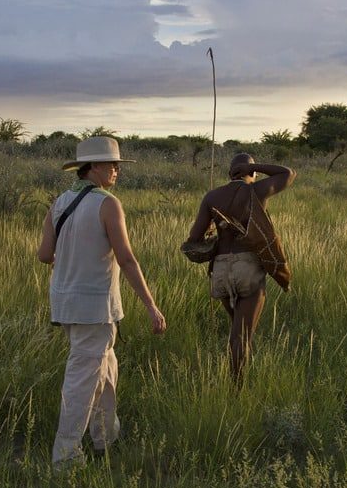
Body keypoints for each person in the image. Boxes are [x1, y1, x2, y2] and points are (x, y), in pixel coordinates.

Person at [37, 136, 166, 467]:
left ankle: (105, 437)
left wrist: (73, 263)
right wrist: (151, 305)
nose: (117, 171)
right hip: (94, 307)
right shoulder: (108, 204)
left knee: (106, 367)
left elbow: (44, 255)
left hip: (66, 303)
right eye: (112, 165)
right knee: (82, 378)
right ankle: (65, 457)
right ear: (93, 167)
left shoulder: (59, 203)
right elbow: (127, 259)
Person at [185, 153, 295, 382]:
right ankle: (236, 392)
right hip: (248, 269)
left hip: (222, 271)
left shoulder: (212, 197)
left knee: (237, 329)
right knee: (241, 337)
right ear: (252, 173)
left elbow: (194, 238)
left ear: (229, 173)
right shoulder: (257, 190)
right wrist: (255, 167)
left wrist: (210, 234)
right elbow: (288, 173)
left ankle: (239, 376)